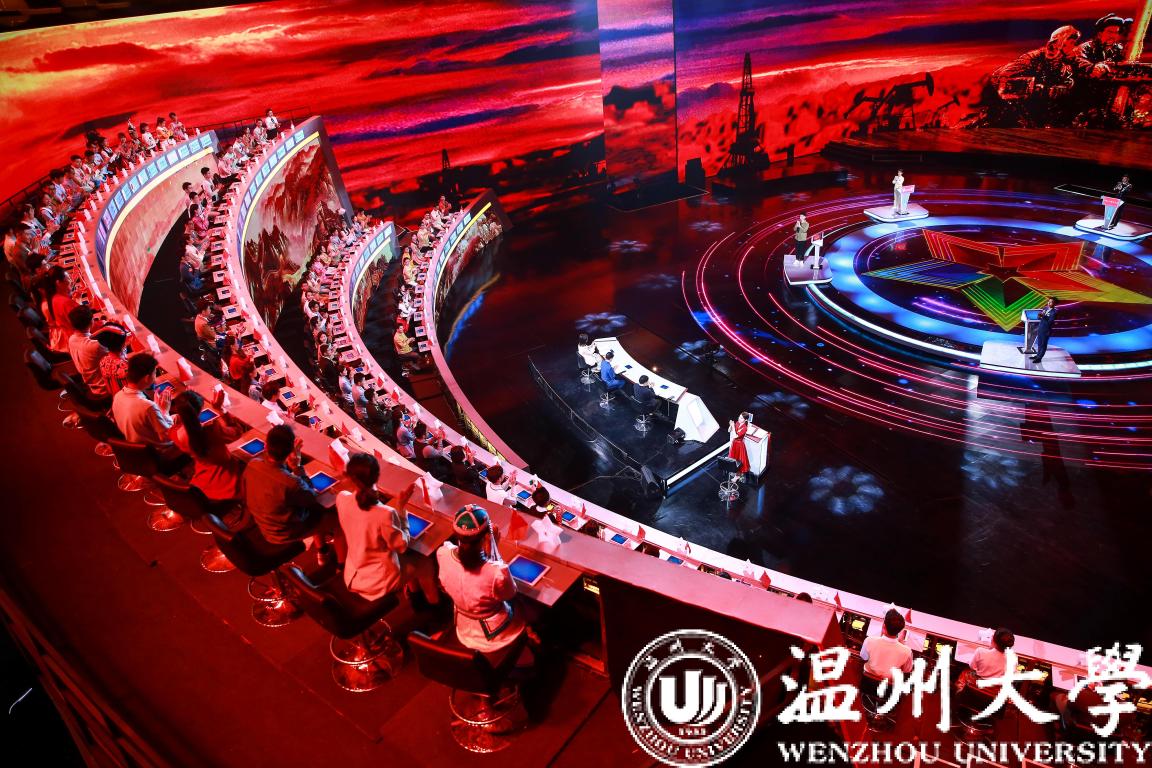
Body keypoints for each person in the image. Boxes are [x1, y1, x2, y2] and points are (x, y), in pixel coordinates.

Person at [436, 505, 529, 664]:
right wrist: (493, 548)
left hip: (463, 627)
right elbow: (509, 593)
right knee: (528, 606)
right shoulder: (497, 572)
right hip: (495, 635)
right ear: (487, 536)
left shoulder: (442, 553)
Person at [335, 453, 414, 600]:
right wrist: (401, 511)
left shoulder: (342, 498)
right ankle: (419, 603)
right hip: (378, 582)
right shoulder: (385, 513)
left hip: (352, 574)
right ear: (377, 477)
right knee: (424, 564)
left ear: (350, 476)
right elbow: (401, 546)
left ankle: (411, 591)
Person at [242, 423, 324, 546]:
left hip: (262, 524)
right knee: (332, 517)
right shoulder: (291, 483)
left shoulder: (252, 464)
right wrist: (297, 467)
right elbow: (312, 498)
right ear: (291, 451)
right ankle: (323, 551)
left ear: (265, 446)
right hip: (284, 534)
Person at [111, 353, 188, 470]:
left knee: (177, 417)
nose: (155, 376)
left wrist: (158, 409)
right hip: (160, 454)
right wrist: (164, 411)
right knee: (192, 425)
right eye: (155, 373)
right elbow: (168, 437)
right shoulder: (147, 407)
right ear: (147, 378)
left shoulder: (118, 396)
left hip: (136, 448)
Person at [169, 390, 245, 503]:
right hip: (227, 484)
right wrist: (221, 409)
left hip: (200, 485)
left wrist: (164, 411)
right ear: (200, 410)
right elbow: (237, 432)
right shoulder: (212, 430)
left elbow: (175, 429)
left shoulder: (175, 434)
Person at [67, 305, 111, 404]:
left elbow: (89, 338)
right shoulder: (94, 346)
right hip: (105, 388)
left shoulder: (71, 339)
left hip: (91, 384)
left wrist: (104, 328)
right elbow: (117, 354)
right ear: (92, 321)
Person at [859, 609, 914, 681]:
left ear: (884, 626)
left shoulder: (869, 640)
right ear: (900, 630)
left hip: (865, 681)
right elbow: (907, 670)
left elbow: (863, 657)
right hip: (887, 686)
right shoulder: (907, 651)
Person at [957, 628, 1015, 693]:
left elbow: (972, 667)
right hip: (994, 693)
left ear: (993, 640)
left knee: (965, 671)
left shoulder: (980, 651)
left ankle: (959, 694)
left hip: (976, 688)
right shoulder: (1013, 658)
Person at [1032, 298, 1058, 362]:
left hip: (1046, 330)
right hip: (1040, 328)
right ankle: (1037, 355)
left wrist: (1043, 316)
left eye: (1051, 302)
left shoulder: (1054, 312)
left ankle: (1039, 358)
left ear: (1054, 303)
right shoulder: (1045, 308)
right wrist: (1039, 315)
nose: (1049, 303)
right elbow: (1039, 318)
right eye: (1048, 301)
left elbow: (1050, 322)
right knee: (1039, 343)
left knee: (1043, 344)